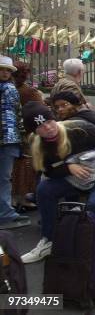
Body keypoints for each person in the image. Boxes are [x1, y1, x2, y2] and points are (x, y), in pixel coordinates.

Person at [20, 101, 95, 264]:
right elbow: (48, 171)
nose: (48, 128)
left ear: (54, 118)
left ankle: (93, 242)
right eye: (41, 127)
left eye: (49, 121)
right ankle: (49, 240)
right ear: (35, 131)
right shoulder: (37, 144)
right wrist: (69, 167)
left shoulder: (79, 128)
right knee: (44, 189)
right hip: (74, 179)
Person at [0, 56, 30, 229]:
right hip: (9, 138)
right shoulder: (11, 89)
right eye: (1, 69)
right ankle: (5, 213)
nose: (4, 73)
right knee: (4, 178)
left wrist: (22, 137)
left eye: (7, 70)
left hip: (9, 139)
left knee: (5, 177)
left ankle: (5, 212)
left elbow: (18, 114)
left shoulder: (11, 89)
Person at [11, 61, 43, 211]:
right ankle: (23, 199)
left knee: (14, 168)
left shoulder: (10, 88)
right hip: (26, 133)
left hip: (10, 132)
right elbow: (39, 111)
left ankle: (13, 199)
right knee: (26, 166)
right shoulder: (29, 91)